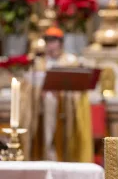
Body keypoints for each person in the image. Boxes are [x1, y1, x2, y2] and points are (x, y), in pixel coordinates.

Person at [31, 26, 93, 162]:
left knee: (64, 137)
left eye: (53, 41)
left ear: (61, 43)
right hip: (45, 109)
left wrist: (62, 93)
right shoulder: (39, 63)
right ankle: (47, 154)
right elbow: (29, 87)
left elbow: (78, 88)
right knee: (47, 136)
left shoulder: (71, 61)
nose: (50, 45)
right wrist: (39, 92)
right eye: (48, 41)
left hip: (65, 110)